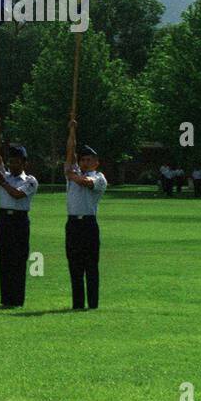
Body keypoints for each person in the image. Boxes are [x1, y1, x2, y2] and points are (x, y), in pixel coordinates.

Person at [64, 128, 107, 311]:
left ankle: (93, 303)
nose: (85, 162)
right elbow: (69, 154)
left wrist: (72, 175)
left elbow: (86, 183)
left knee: (90, 266)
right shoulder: (73, 174)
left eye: (89, 160)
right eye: (83, 159)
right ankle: (77, 304)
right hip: (73, 223)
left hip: (88, 224)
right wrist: (72, 132)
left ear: (96, 163)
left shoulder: (99, 178)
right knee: (75, 265)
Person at [0, 143, 38, 309]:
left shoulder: (30, 180)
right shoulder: (5, 175)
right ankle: (6, 298)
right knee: (5, 259)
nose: (13, 165)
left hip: (19, 220)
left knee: (18, 260)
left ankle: (17, 299)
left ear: (24, 164)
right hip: (4, 219)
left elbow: (17, 194)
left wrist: (3, 183)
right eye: (11, 162)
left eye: (17, 162)